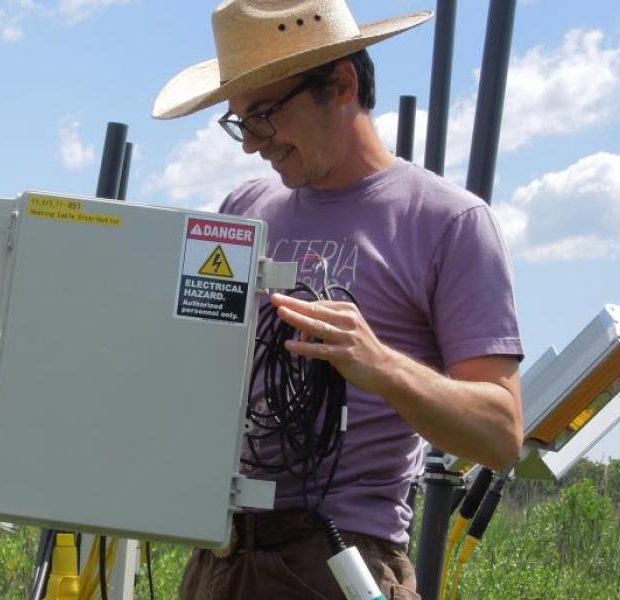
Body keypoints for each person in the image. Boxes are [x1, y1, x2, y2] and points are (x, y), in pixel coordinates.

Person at [151, 1, 525, 598]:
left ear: (342, 83)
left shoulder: (448, 222)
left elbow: (500, 434)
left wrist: (379, 365)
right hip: (219, 556)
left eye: (264, 115)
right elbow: (193, 360)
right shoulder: (241, 210)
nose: (252, 145)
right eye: (240, 122)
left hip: (339, 560)